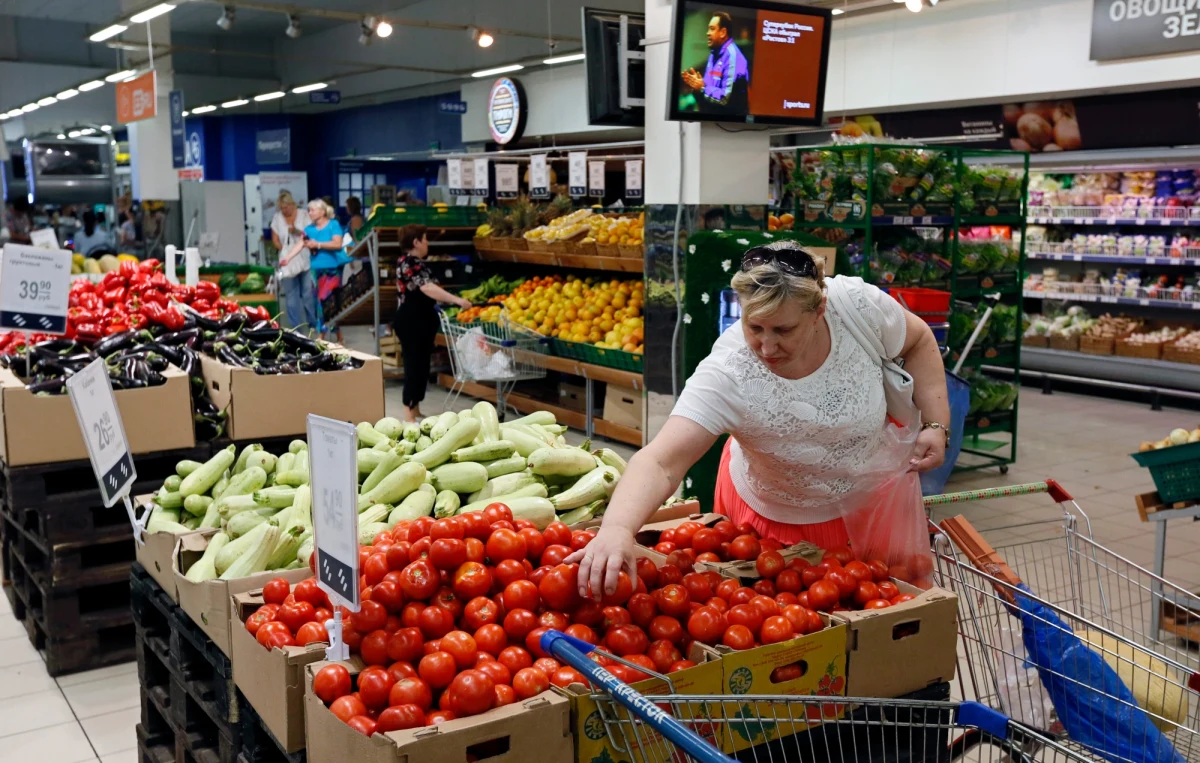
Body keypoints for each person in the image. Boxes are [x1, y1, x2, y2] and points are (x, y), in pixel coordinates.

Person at [568, 241, 950, 598]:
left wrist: (936, 423)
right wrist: (616, 529)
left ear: (819, 310)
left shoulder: (855, 307)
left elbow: (918, 341)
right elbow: (661, 461)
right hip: (773, 518)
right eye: (755, 327)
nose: (767, 347)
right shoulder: (728, 371)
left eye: (784, 330)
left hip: (874, 504)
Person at [392, 224, 471, 422]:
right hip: (412, 320)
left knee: (422, 363)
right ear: (416, 242)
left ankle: (416, 406)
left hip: (420, 319)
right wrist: (457, 300)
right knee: (414, 364)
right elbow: (427, 288)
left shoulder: (415, 262)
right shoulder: (410, 263)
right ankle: (408, 412)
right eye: (425, 239)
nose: (427, 243)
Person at [681, 12, 750, 114]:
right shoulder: (713, 55)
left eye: (712, 29)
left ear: (723, 32)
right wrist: (697, 87)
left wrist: (702, 88)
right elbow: (707, 96)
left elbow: (725, 99)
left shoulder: (733, 57)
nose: (707, 33)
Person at [304, 199, 352, 338]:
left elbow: (337, 244)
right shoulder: (309, 229)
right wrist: (287, 258)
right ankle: (336, 335)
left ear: (322, 211)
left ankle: (323, 334)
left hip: (332, 270)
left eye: (312, 210)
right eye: (309, 210)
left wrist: (318, 245)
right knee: (319, 301)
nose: (310, 213)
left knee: (327, 300)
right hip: (316, 270)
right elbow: (301, 244)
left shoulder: (334, 225)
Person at [274, 192, 315, 330]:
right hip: (287, 262)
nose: (284, 210)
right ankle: (297, 328)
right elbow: (275, 239)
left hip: (305, 259)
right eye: (282, 208)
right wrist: (284, 250)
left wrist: (296, 231)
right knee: (291, 299)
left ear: (292, 204)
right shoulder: (277, 218)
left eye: (286, 207)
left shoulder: (304, 215)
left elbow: (309, 235)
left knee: (308, 294)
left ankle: (313, 323)